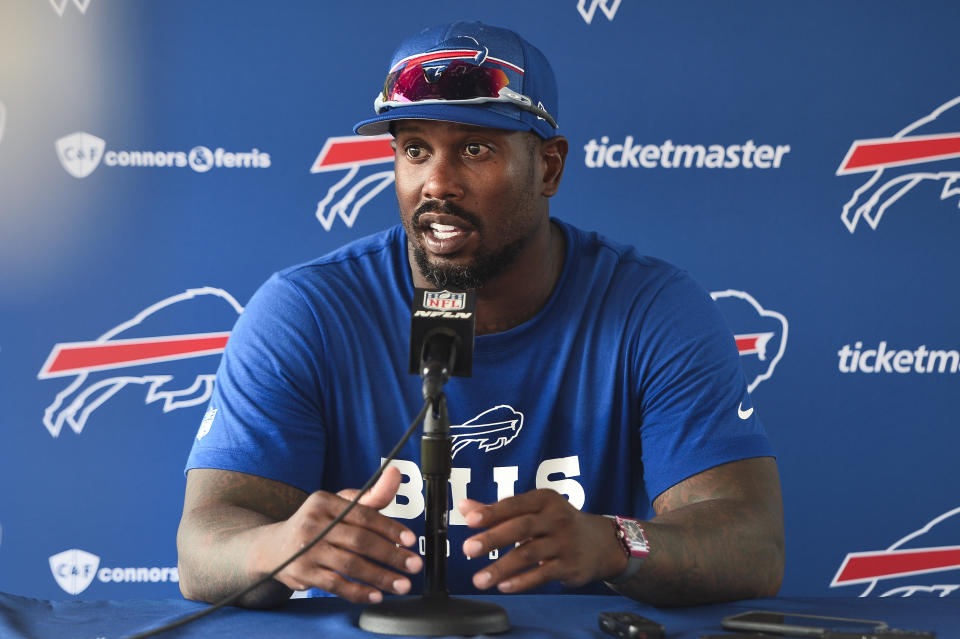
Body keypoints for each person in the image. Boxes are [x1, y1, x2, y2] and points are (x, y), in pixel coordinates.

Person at [177, 20, 784, 609]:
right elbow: (202, 549)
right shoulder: (306, 311)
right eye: (415, 149)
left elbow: (752, 546)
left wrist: (613, 541)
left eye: (474, 149)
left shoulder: (651, 309)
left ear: (548, 167)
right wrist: (276, 547)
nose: (437, 184)